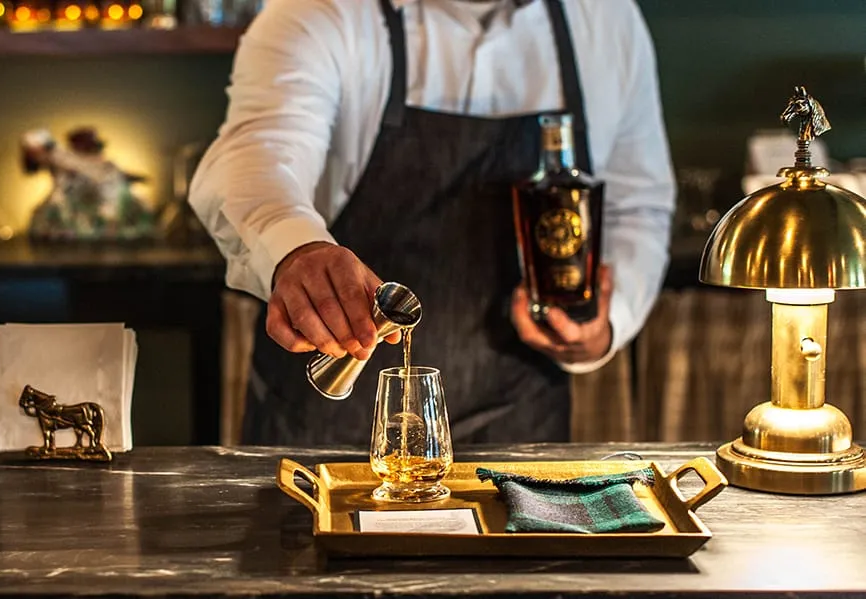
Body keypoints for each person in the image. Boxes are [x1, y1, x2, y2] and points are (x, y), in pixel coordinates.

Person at [188, 0, 675, 446]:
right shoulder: (323, 10)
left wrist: (604, 323)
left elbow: (638, 203)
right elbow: (257, 153)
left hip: (519, 423)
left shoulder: (605, 19)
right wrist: (296, 250)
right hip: (330, 415)